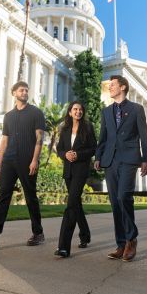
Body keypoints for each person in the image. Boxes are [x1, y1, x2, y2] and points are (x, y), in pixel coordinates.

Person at [0, 81, 46, 251]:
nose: (25, 92)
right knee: (3, 196)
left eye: (27, 90)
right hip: (9, 161)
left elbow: (39, 138)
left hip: (27, 160)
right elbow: (4, 140)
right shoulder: (8, 116)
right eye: (22, 90)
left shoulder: (36, 113)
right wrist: (0, 164)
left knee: (30, 196)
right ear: (14, 93)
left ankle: (38, 233)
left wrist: (35, 160)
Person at [94, 75, 147, 262]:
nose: (109, 88)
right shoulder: (106, 111)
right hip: (110, 160)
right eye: (109, 85)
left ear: (123, 87)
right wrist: (98, 157)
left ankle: (131, 239)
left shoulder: (136, 109)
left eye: (113, 85)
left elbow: (144, 136)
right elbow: (103, 137)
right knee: (114, 202)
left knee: (123, 196)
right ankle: (121, 244)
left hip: (129, 159)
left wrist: (146, 160)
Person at [54, 101, 97, 258]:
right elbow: (59, 149)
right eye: (75, 109)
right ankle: (85, 234)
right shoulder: (64, 129)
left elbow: (93, 148)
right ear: (70, 112)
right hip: (68, 171)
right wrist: (65, 154)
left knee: (71, 205)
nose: (78, 111)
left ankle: (63, 246)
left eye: (80, 109)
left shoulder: (88, 127)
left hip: (80, 170)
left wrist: (78, 155)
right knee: (76, 204)